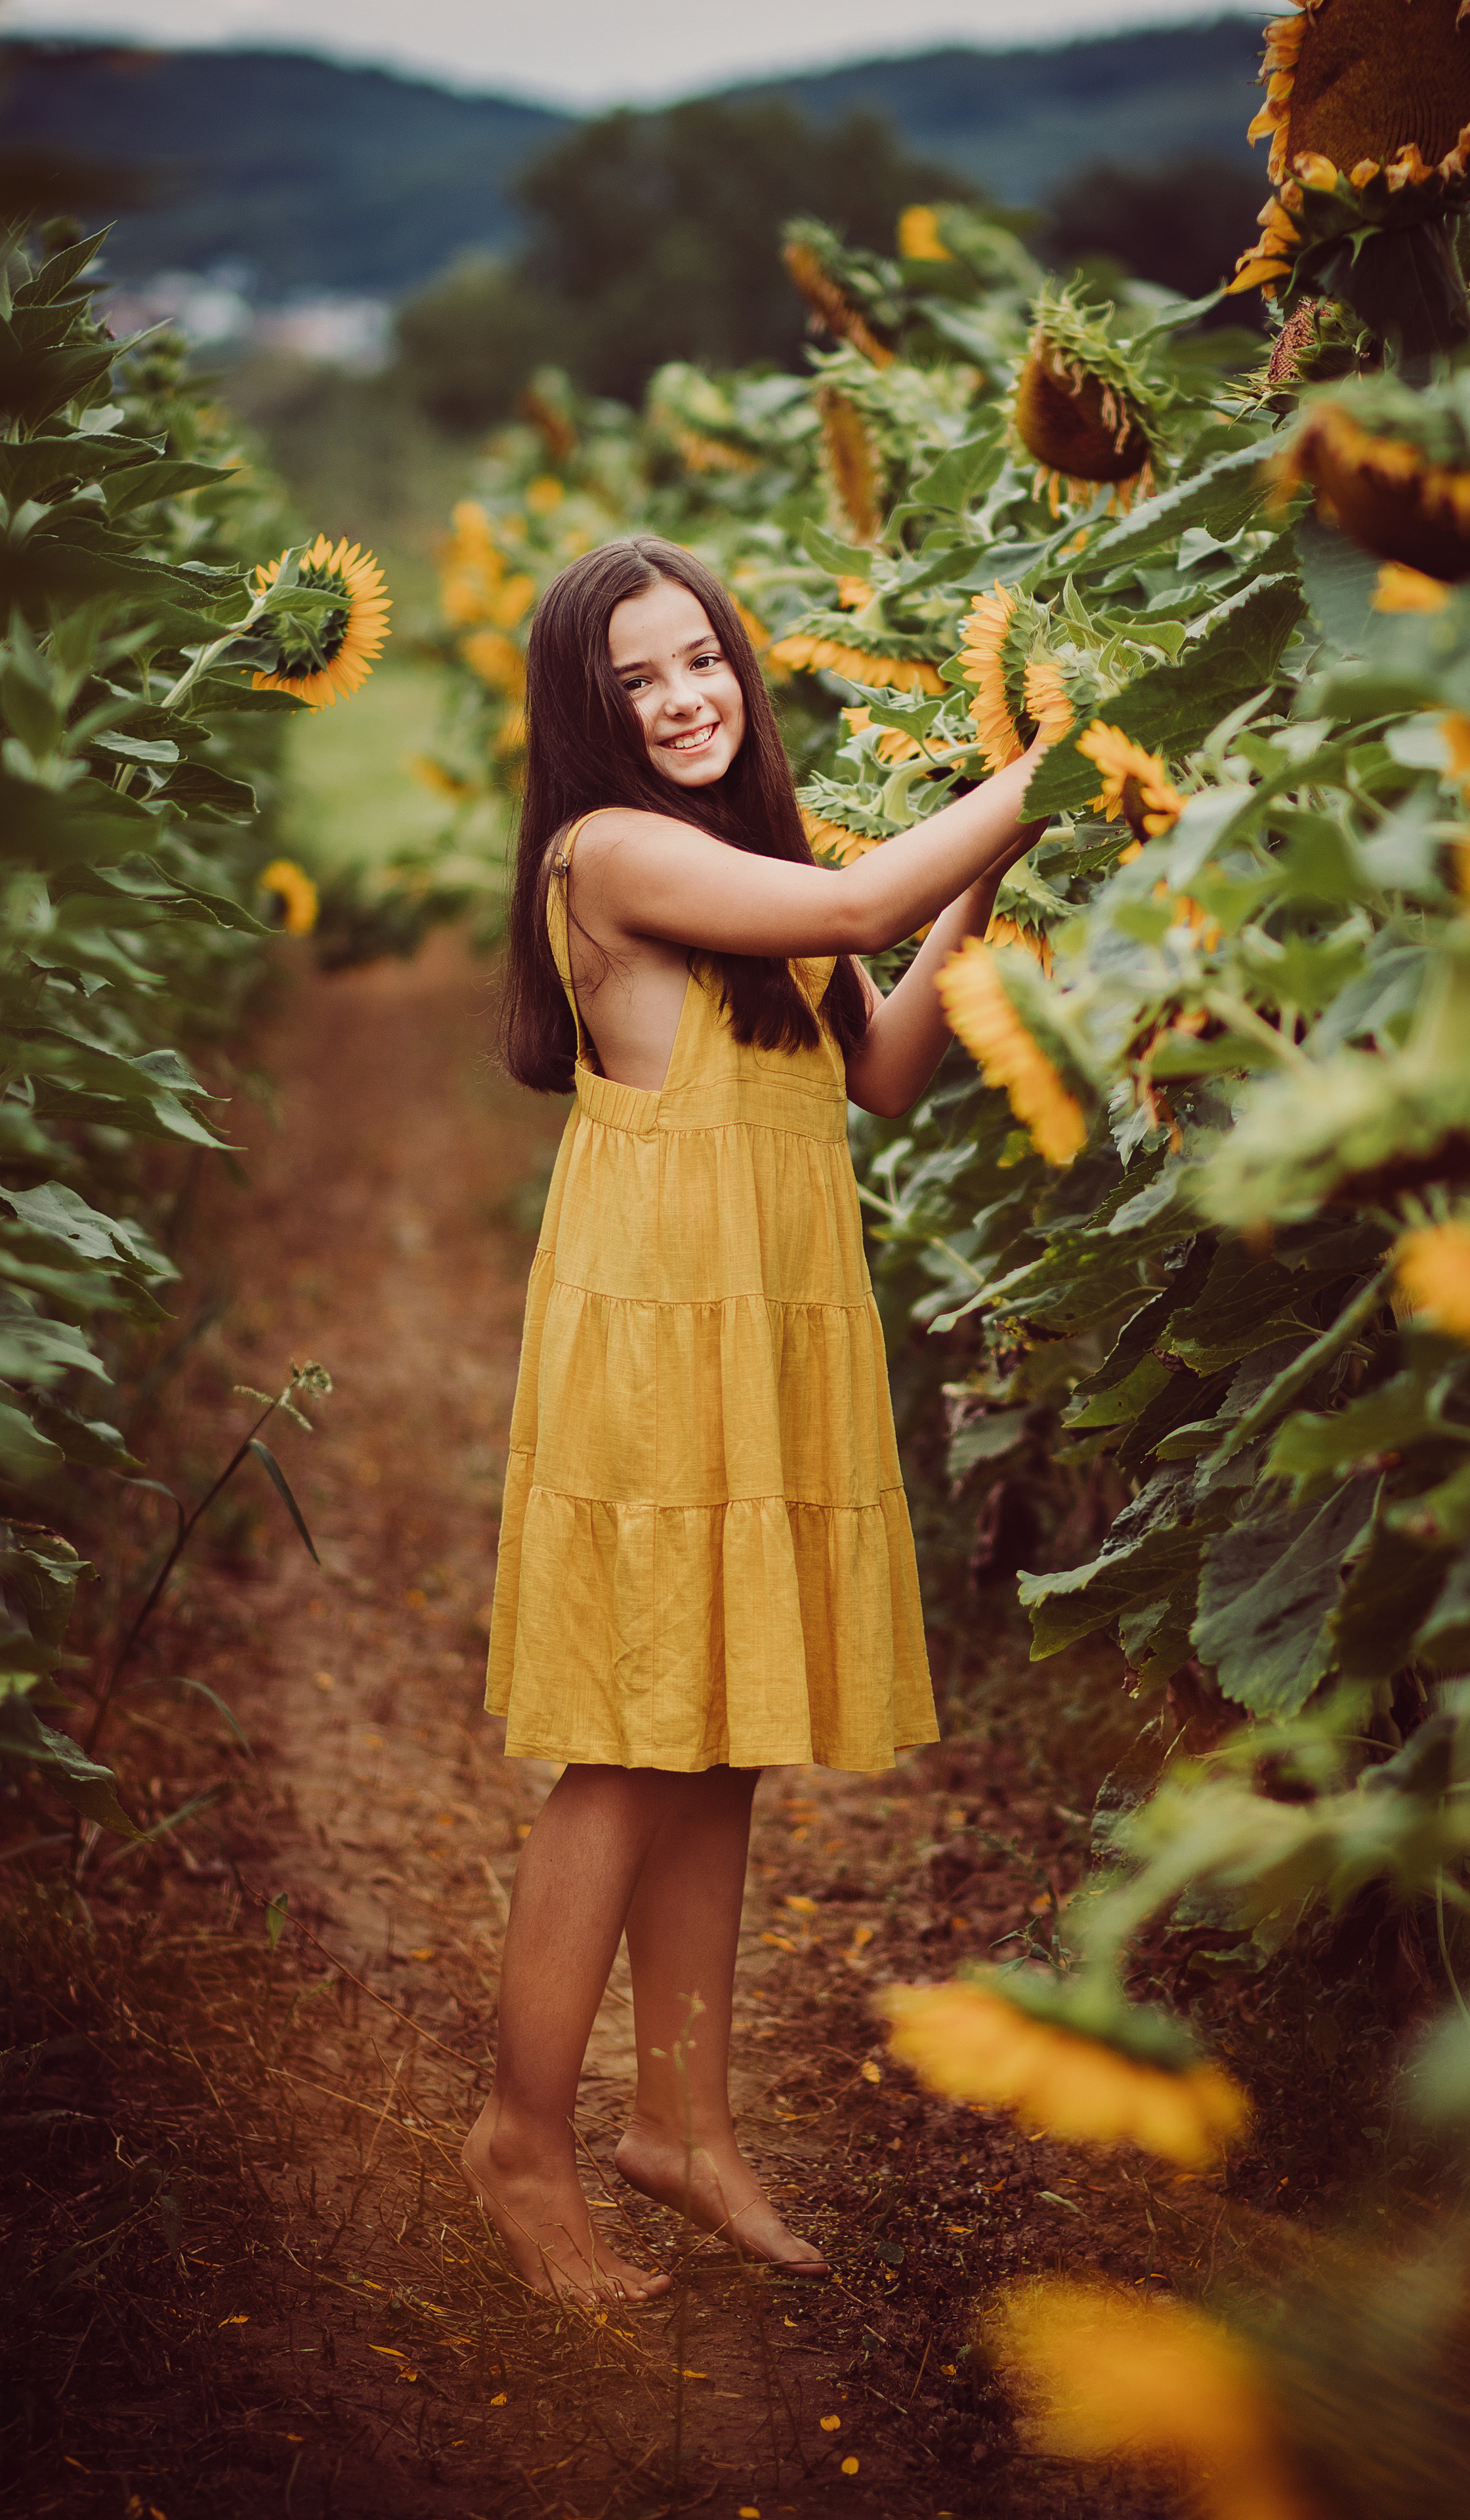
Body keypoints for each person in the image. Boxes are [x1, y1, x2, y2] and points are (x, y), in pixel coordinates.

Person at [463, 533, 1051, 2303]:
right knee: (635, 1737)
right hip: (658, 1326)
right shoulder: (615, 854)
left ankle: (687, 2132)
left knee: (721, 1733)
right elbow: (865, 910)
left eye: (699, 657)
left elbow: (882, 1068)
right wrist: (1055, 762)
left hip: (766, 1315)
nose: (681, 697)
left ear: (739, 662)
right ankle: (518, 2139)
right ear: (588, 718)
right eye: (634, 680)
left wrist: (999, 855)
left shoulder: (739, 857)